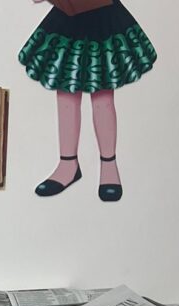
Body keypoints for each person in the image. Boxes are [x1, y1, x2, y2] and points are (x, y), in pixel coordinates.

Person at [19, 0, 156, 202]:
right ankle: (68, 164)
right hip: (67, 13)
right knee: (66, 91)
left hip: (103, 14)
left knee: (102, 94)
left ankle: (108, 164)